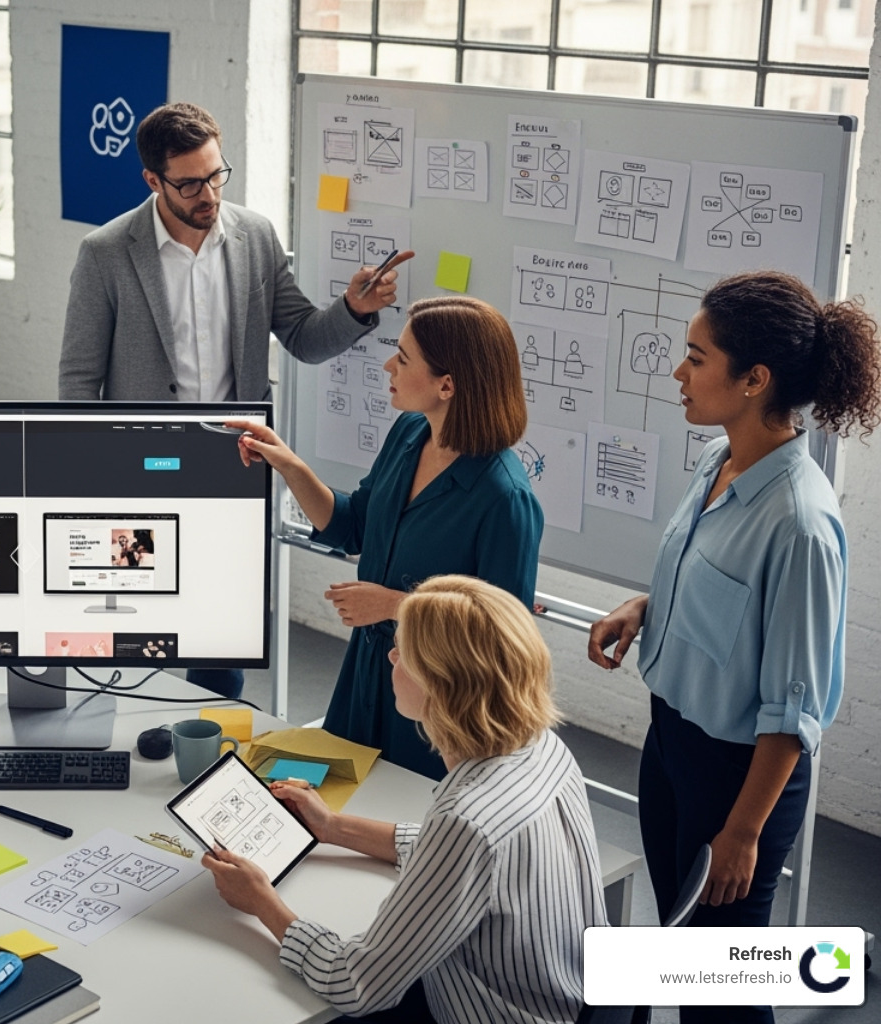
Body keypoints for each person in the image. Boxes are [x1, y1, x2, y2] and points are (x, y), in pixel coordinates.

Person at [587, 271, 878, 1024]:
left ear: (754, 379)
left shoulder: (801, 525)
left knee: (723, 994)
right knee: (684, 956)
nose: (678, 372)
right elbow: (722, 593)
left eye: (696, 356)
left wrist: (744, 833)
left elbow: (796, 707)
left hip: (741, 777)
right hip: (672, 742)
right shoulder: (717, 465)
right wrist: (645, 607)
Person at [59, 102, 413, 700]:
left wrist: (357, 309)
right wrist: (94, 475)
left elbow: (302, 336)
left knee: (223, 630)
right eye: (190, 183)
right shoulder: (107, 252)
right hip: (139, 467)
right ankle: (116, 732)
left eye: (217, 175)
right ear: (153, 181)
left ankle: (212, 744)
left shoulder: (254, 236)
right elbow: (78, 379)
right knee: (126, 619)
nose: (209, 194)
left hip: (236, 463)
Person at [205, 575, 607, 1024]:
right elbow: (467, 859)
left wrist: (261, 899)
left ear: (441, 683)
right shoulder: (544, 747)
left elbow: (354, 983)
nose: (391, 657)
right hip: (571, 996)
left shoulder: (466, 822)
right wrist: (333, 827)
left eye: (403, 652)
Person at [230, 296, 541, 777]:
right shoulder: (410, 432)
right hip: (367, 675)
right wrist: (287, 464)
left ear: (448, 385)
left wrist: (396, 605)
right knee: (329, 803)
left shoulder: (505, 498)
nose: (388, 365)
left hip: (438, 703)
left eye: (404, 356)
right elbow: (353, 525)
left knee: (402, 825)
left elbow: (503, 633)